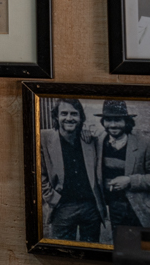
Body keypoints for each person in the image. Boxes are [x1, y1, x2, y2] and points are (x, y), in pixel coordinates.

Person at [40, 98, 105, 242]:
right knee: (62, 250)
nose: (69, 118)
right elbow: (39, 174)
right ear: (56, 116)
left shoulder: (90, 139)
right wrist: (52, 198)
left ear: (81, 117)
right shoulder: (44, 138)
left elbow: (106, 133)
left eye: (74, 114)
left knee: (91, 250)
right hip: (62, 207)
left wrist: (88, 129)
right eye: (64, 113)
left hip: (90, 208)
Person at [95, 100, 150, 235]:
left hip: (140, 208)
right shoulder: (98, 141)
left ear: (126, 121)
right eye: (108, 120)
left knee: (143, 246)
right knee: (122, 245)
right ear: (103, 122)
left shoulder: (144, 143)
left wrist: (130, 181)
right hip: (115, 209)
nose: (113, 125)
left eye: (118, 120)